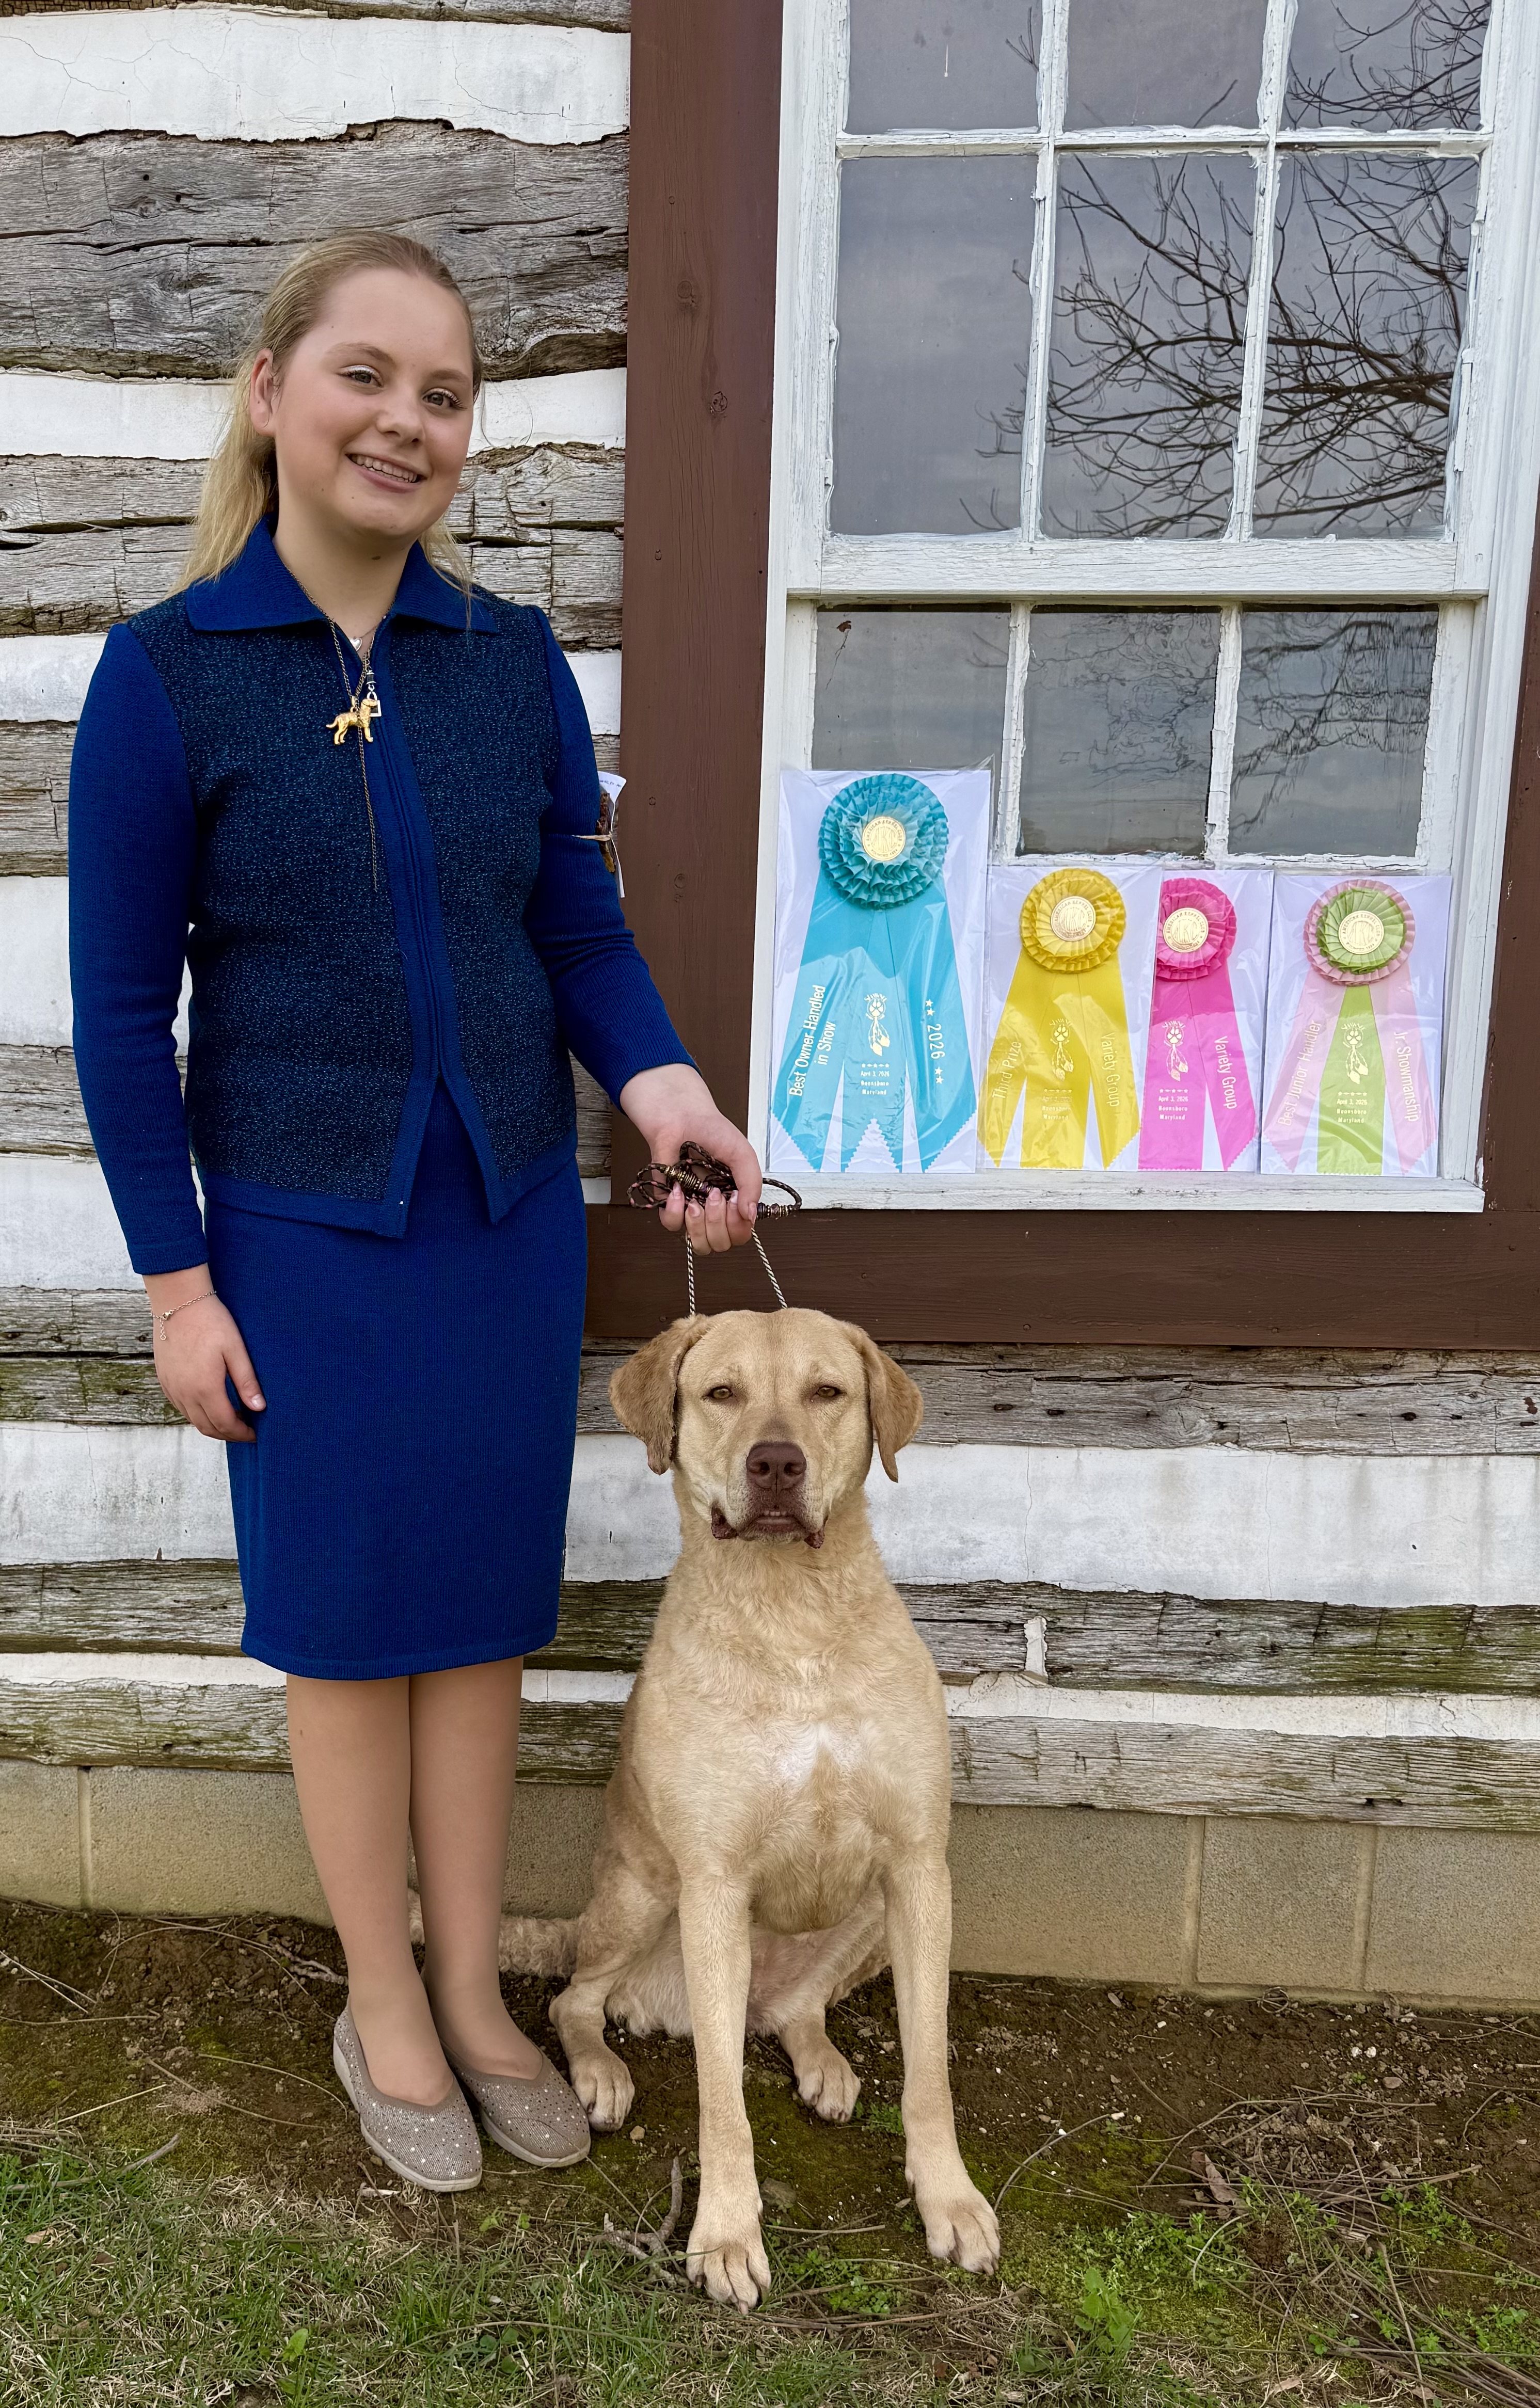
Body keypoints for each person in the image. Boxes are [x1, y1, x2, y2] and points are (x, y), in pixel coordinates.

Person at [68, 232, 763, 2193]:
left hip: (505, 1223)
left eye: (444, 395)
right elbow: (120, 1015)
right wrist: (178, 1286)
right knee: (347, 1627)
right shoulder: (167, 677)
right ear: (271, 393)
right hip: (298, 1242)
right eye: (365, 376)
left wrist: (664, 1090)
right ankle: (380, 1996)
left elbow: (578, 930)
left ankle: (473, 1989)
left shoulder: (506, 660)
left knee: (474, 1625)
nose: (406, 422)